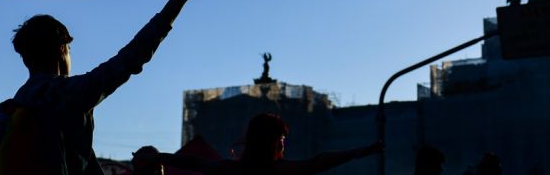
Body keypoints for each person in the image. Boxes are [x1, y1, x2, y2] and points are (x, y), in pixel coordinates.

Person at [0, 0, 204, 175]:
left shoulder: (7, 114)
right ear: (62, 49)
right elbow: (133, 57)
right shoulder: (69, 96)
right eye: (69, 49)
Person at [132, 113, 382, 175]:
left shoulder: (231, 170)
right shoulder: (277, 171)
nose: (284, 146)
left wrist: (160, 157)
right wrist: (358, 152)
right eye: (281, 140)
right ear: (272, 143)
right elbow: (317, 163)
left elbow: (194, 162)